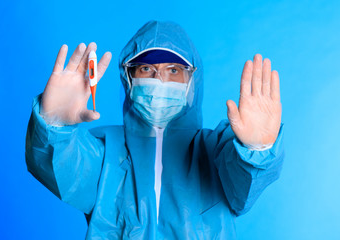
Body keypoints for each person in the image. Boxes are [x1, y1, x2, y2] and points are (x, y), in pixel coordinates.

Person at [26, 20, 284, 239]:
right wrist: (55, 125)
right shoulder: (106, 150)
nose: (160, 80)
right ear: (129, 79)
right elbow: (62, 169)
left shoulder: (217, 150)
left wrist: (255, 151)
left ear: (192, 81)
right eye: (147, 69)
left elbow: (243, 188)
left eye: (174, 70)